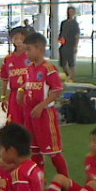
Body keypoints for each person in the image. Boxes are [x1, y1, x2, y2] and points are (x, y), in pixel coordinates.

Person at [19, 32, 69, 177]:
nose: (26, 53)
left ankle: (66, 182)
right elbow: (28, 84)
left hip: (45, 115)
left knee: (53, 151)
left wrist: (42, 105)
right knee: (35, 150)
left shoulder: (48, 68)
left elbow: (57, 90)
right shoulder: (30, 68)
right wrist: (21, 91)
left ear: (40, 49)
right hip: (30, 114)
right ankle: (39, 182)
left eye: (29, 49)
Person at [0, 27, 31, 125]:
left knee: (29, 123)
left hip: (29, 94)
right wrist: (3, 97)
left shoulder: (32, 56)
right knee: (14, 123)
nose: (19, 41)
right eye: (16, 38)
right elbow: (5, 79)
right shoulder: (8, 59)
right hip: (14, 95)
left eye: (22, 39)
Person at [58, 6, 79, 81]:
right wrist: (60, 39)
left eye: (71, 12)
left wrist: (75, 46)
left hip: (71, 45)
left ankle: (72, 78)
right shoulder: (63, 23)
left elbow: (77, 35)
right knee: (63, 64)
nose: (70, 13)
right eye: (69, 11)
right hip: (63, 45)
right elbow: (61, 33)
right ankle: (67, 75)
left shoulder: (75, 23)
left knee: (71, 63)